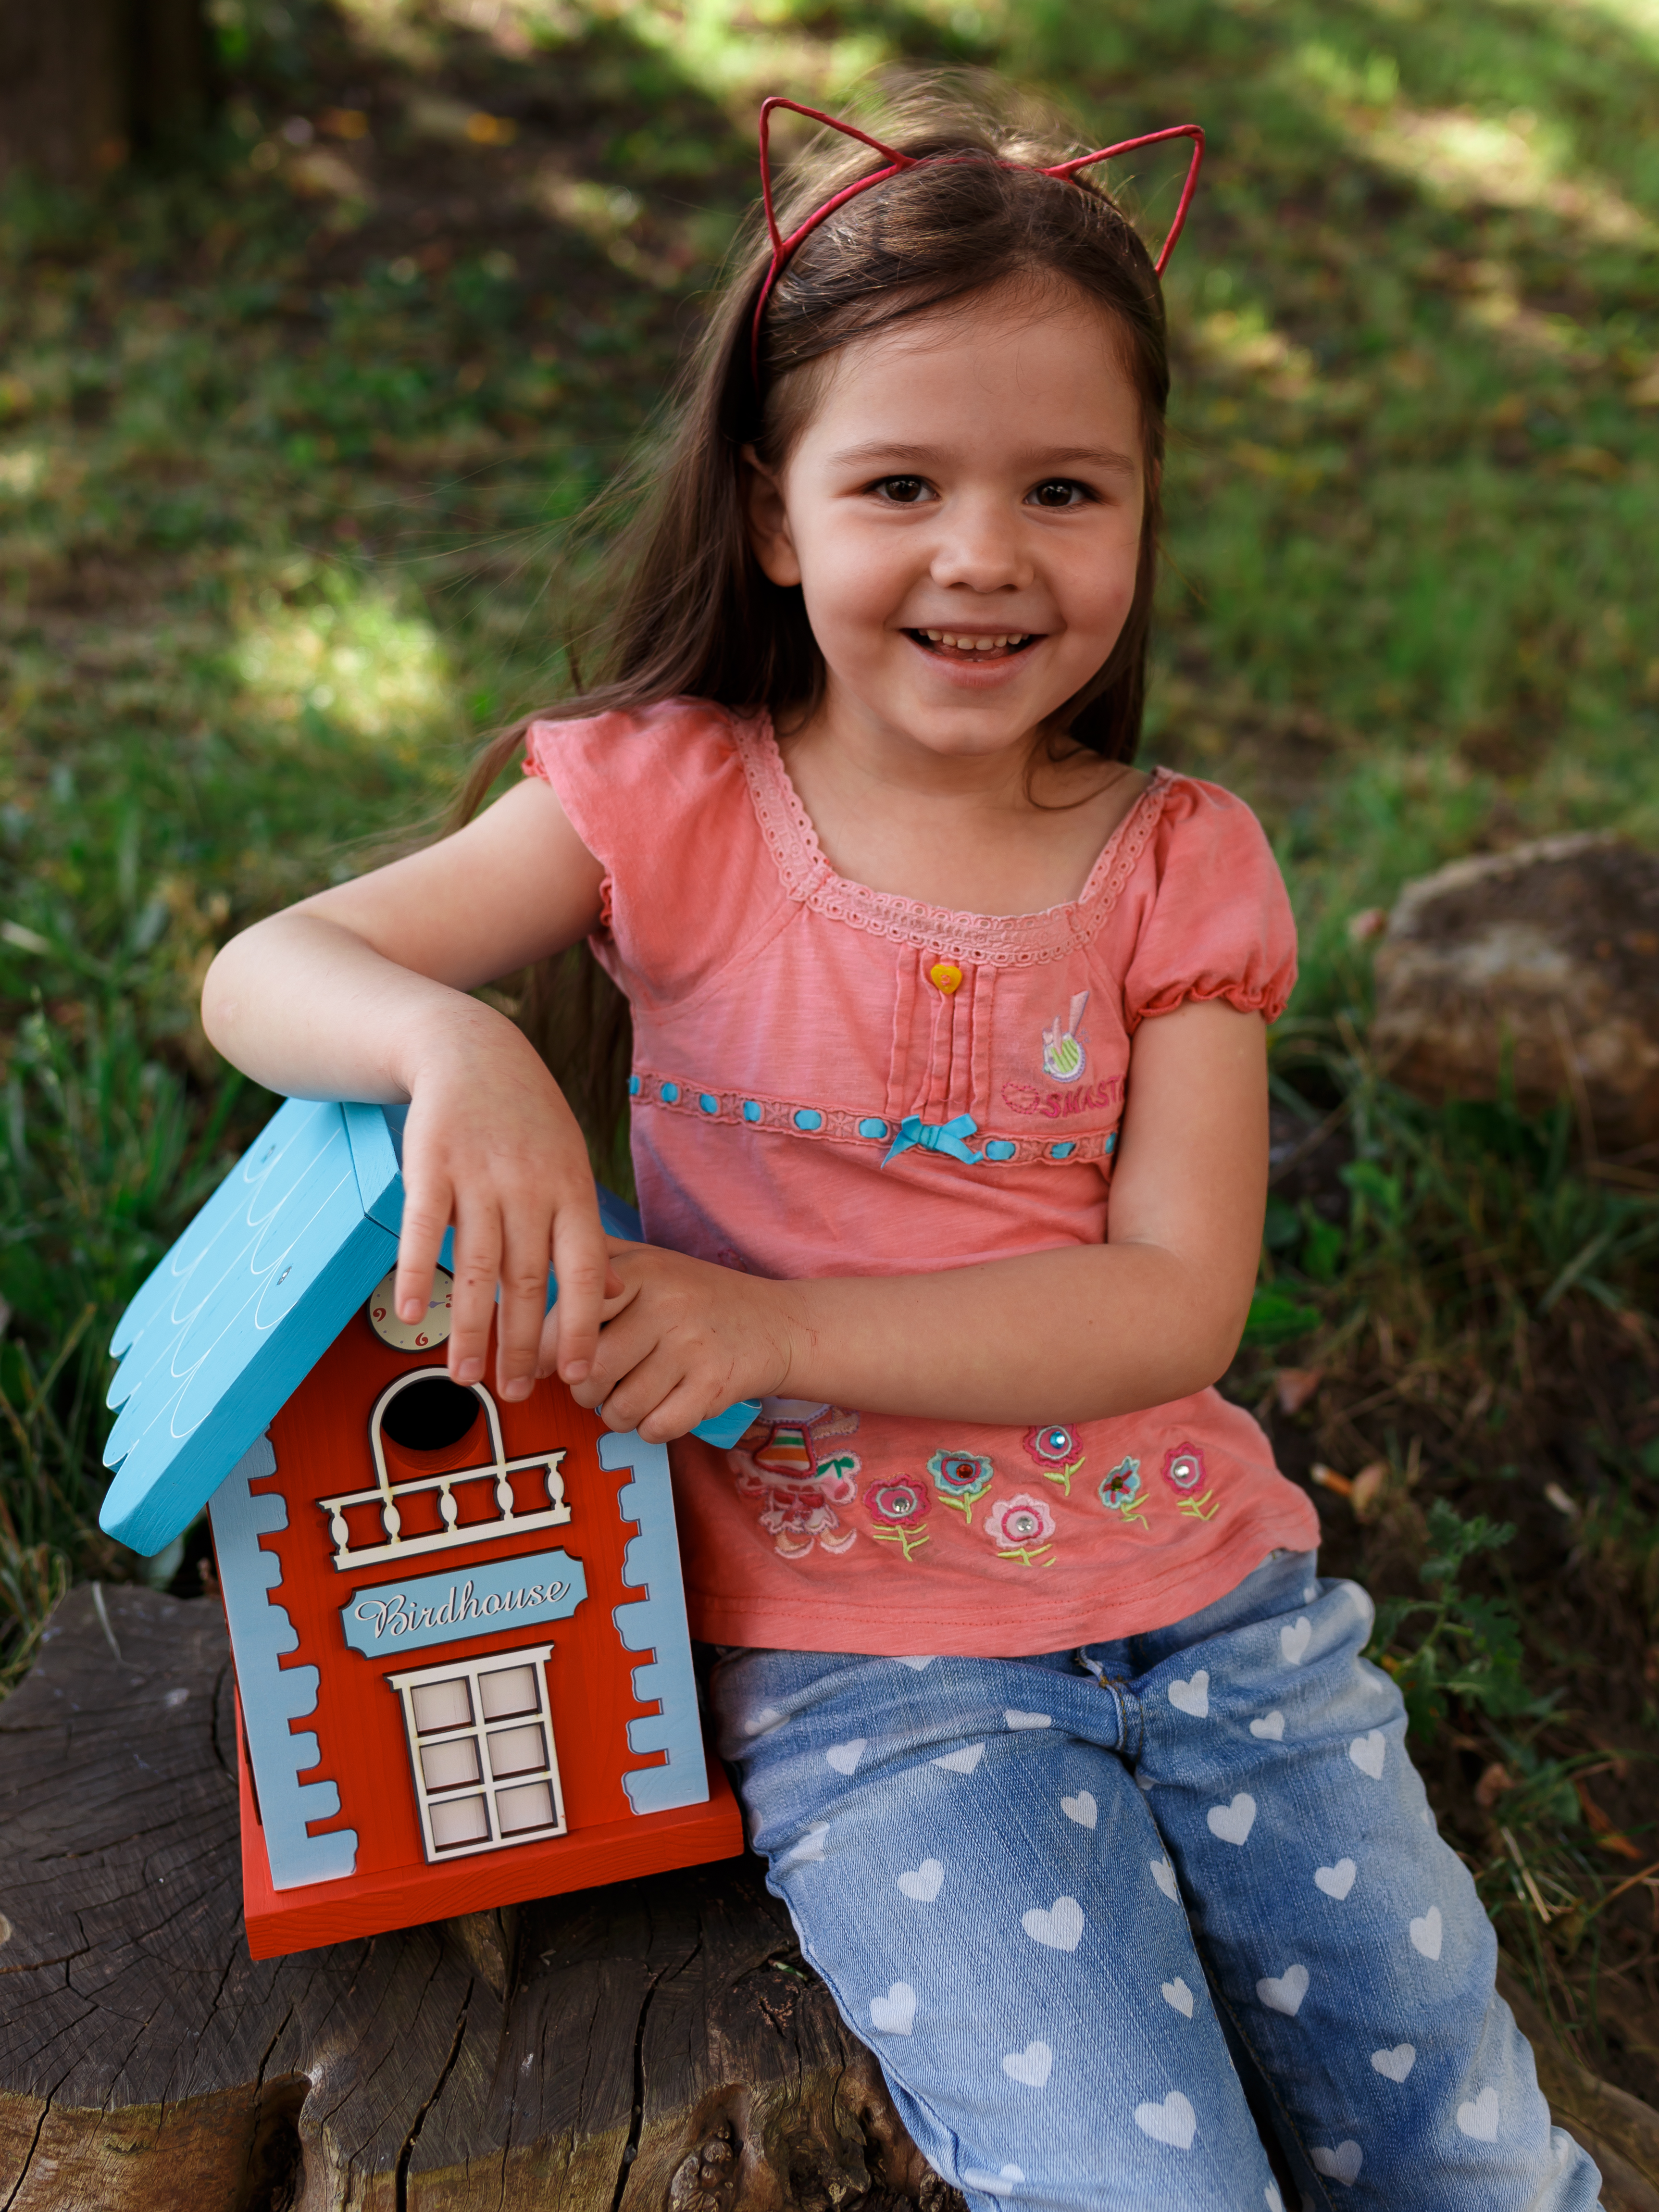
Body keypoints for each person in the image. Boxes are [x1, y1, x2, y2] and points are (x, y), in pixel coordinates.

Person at [201, 81, 1599, 2212]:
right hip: (866, 1665)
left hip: (1218, 1612)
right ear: (773, 511)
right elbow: (264, 968)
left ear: (1139, 510)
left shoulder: (1173, 865)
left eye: (1062, 486)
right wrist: (443, 1040)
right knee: (1143, 2190)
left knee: (1475, 2159)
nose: (983, 554)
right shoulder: (658, 799)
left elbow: (1170, 1299)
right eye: (898, 482)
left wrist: (772, 1314)